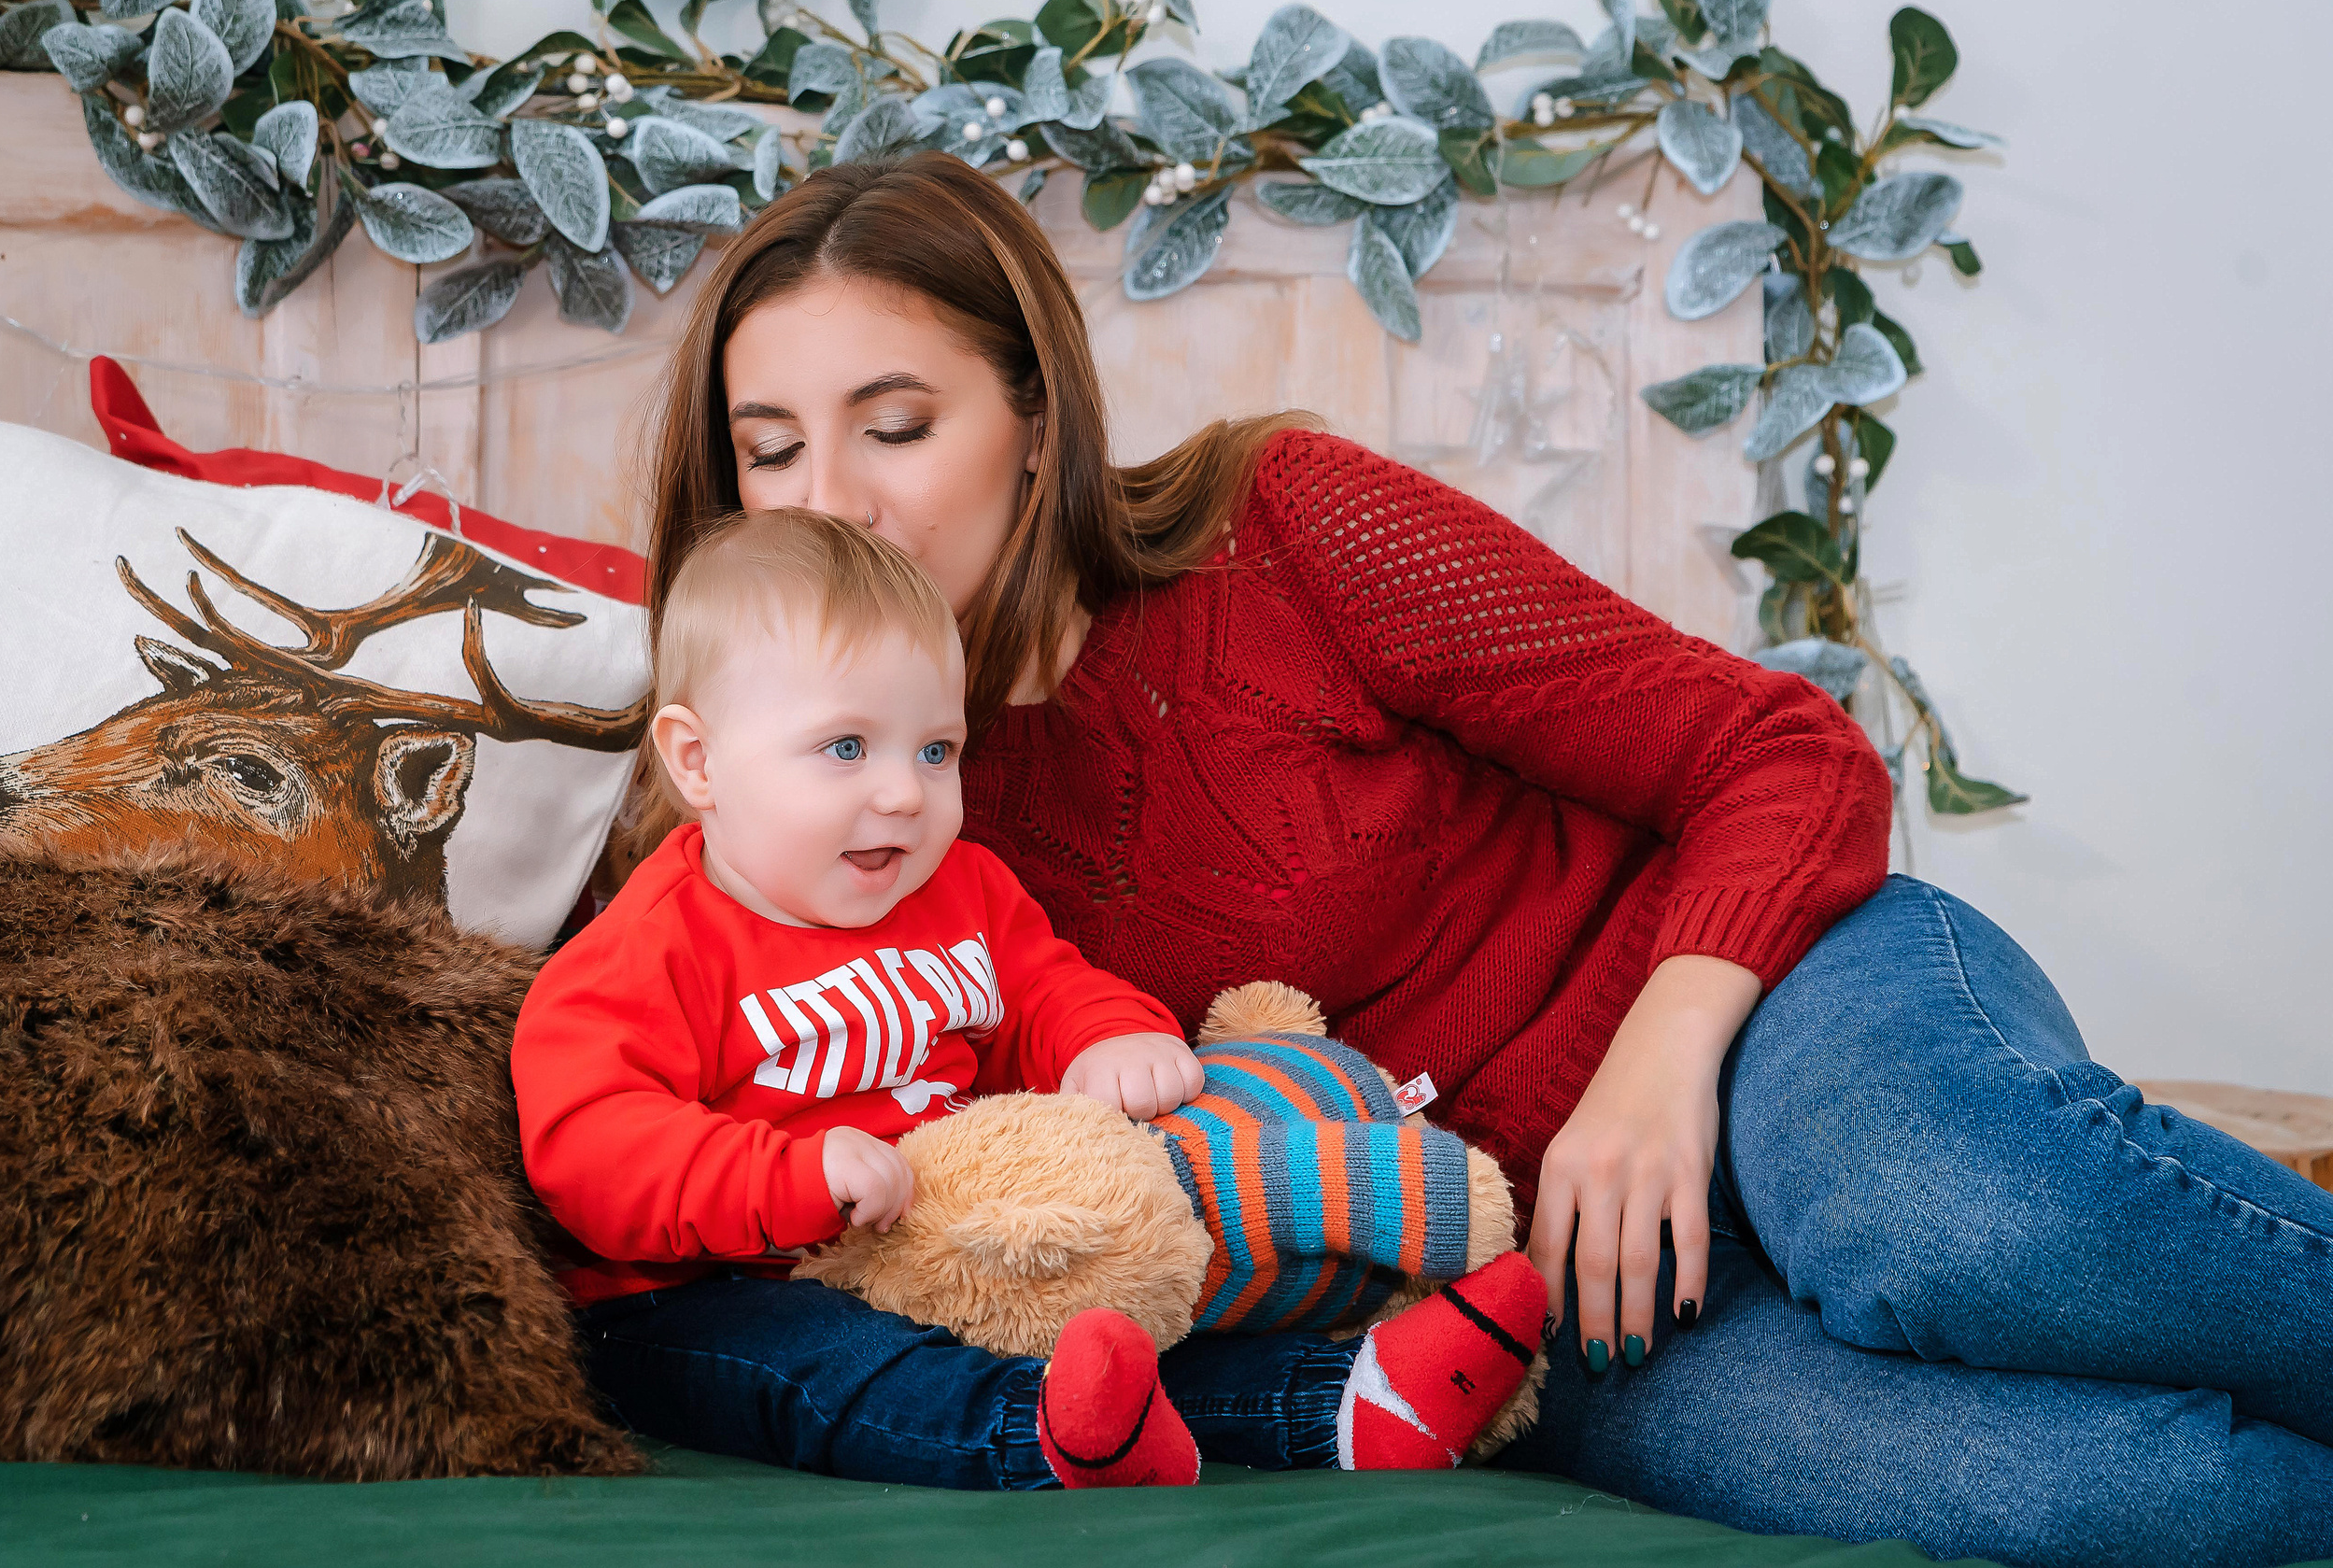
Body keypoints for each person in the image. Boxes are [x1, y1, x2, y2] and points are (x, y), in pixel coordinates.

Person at [625, 151, 2333, 1567]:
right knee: (2132, 1504)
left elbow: (1777, 751)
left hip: (1765, 1011)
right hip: (1552, 1293)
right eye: (770, 448)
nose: (825, 497)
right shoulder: (840, 845)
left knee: (1953, 1217)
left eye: (894, 422)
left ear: (1039, 422)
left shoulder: (1280, 525)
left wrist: (1663, 1064)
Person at [515, 503, 1548, 1490]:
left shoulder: (959, 886)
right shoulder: (642, 952)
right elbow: (588, 1147)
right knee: (826, 1359)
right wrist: (788, 1173)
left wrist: (1105, 1035)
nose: (903, 792)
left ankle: (1340, 1403)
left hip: (948, 1248)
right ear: (697, 759)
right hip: (705, 1291)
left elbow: (1045, 985)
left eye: (936, 749)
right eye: (845, 748)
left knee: (1118, 1326)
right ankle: (1030, 1438)